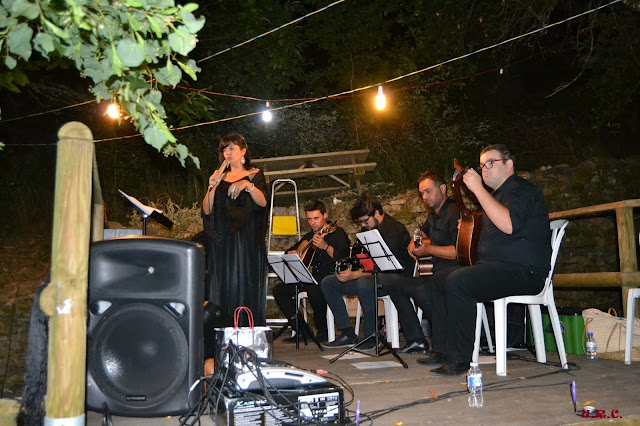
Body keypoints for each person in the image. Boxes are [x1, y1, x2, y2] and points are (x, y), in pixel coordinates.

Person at [424, 144, 551, 375]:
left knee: (459, 281)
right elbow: (491, 234)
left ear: (509, 165)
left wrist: (477, 189)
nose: (484, 169)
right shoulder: (495, 197)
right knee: (440, 278)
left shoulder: (523, 190)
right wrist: (470, 227)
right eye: (482, 165)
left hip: (525, 272)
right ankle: (442, 350)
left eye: (491, 163)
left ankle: (459, 360)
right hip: (497, 268)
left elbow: (509, 224)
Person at [321, 194, 414, 349]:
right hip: (371, 278)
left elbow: (387, 267)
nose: (364, 225)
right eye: (361, 222)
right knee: (329, 282)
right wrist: (350, 270)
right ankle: (347, 333)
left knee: (364, 283)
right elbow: (362, 259)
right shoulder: (368, 229)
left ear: (376, 213)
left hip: (396, 279)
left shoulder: (395, 230)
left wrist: (356, 274)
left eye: (365, 221)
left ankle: (371, 336)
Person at [385, 172, 459, 355]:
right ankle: (417, 340)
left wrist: (429, 250)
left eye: (428, 191)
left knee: (423, 291)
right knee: (395, 285)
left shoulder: (454, 212)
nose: (425, 197)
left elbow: (458, 252)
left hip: (453, 273)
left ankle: (445, 338)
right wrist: (414, 241)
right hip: (434, 274)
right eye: (422, 193)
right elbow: (422, 233)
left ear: (443, 189)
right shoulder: (433, 214)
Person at [202, 134, 269, 327]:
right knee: (221, 285)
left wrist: (247, 185)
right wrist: (212, 187)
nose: (227, 152)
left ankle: (246, 330)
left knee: (243, 284)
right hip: (222, 240)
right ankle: (221, 332)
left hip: (246, 241)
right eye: (224, 149)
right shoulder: (218, 177)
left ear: (243, 151)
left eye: (231, 148)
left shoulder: (254, 174)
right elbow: (207, 210)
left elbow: (263, 202)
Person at [272, 200, 351, 344]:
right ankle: (302, 330)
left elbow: (344, 257)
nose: (313, 223)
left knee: (315, 290)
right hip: (311, 278)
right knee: (279, 290)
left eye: (316, 218)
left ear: (325, 215)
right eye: (309, 219)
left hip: (332, 277)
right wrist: (291, 253)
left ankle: (323, 332)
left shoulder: (337, 233)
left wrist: (325, 246)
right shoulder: (309, 236)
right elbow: (291, 251)